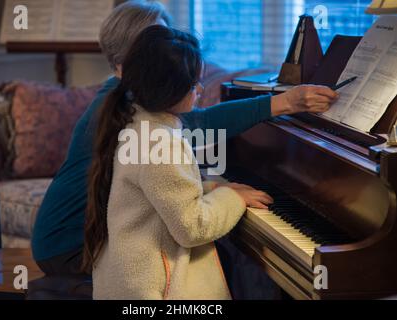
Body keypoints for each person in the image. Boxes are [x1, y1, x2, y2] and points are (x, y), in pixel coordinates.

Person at [31, 0, 338, 286]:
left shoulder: (129, 99)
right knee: (210, 259)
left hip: (86, 236)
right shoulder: (130, 114)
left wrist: (211, 190)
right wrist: (282, 104)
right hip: (68, 246)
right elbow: (199, 128)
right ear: (141, 56)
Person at [85, 24, 276, 299]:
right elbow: (192, 227)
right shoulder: (162, 143)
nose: (199, 88)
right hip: (153, 290)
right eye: (193, 83)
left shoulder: (137, 121)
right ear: (168, 90)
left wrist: (216, 190)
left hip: (129, 279)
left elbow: (165, 194)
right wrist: (232, 199)